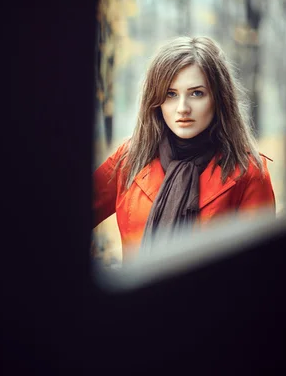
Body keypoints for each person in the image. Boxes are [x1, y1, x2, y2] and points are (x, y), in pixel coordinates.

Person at [93, 36, 276, 262]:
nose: (182, 108)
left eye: (196, 93)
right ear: (156, 100)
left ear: (218, 99)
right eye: (171, 94)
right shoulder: (130, 157)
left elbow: (259, 272)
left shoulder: (248, 172)